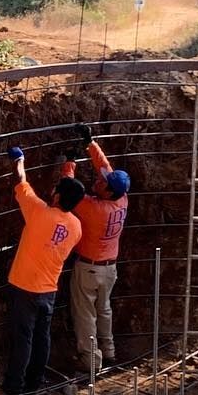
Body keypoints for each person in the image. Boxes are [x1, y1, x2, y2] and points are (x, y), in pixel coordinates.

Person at [3, 145, 84, 395]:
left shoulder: (39, 212)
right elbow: (68, 192)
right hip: (48, 289)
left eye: (56, 189)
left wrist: (19, 159)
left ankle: (14, 387)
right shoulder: (76, 226)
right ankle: (34, 385)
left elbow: (21, 180)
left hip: (24, 285)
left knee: (23, 338)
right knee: (41, 338)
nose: (52, 190)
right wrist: (70, 164)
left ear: (58, 197)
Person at [60, 124, 132, 374]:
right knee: (104, 309)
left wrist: (70, 162)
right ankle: (109, 352)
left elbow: (68, 189)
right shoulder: (121, 198)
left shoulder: (93, 208)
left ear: (109, 190)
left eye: (104, 182)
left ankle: (91, 361)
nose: (100, 181)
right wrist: (91, 143)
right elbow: (105, 168)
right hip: (109, 269)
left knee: (85, 314)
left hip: (88, 268)